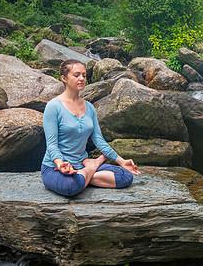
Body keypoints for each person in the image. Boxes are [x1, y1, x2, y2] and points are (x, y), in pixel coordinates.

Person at [41, 59, 140, 196]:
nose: (82, 79)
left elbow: (99, 140)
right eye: (76, 75)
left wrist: (122, 161)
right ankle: (92, 168)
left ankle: (83, 178)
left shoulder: (90, 108)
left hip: (81, 164)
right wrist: (60, 163)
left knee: (125, 176)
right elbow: (52, 145)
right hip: (55, 168)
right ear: (64, 78)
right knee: (70, 187)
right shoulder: (53, 106)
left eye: (84, 75)